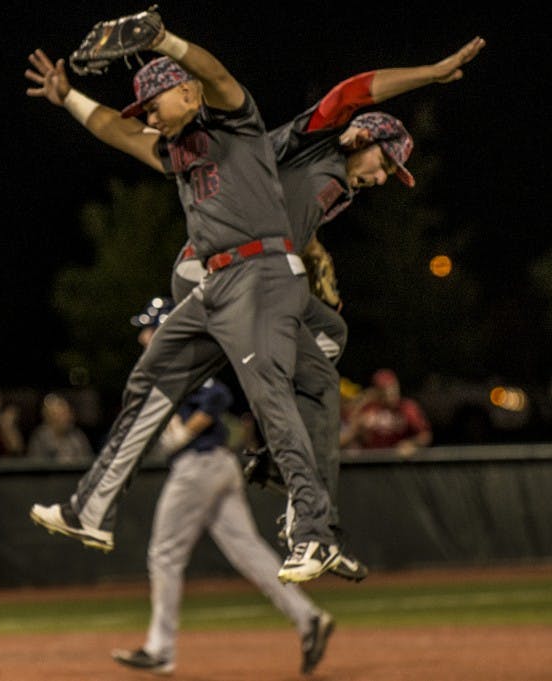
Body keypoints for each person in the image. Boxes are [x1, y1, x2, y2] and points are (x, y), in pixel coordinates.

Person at [26, 12, 341, 582]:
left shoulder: (236, 125)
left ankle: (314, 533)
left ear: (188, 92)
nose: (146, 114)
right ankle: (90, 510)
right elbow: (114, 131)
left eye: (154, 103)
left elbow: (217, 75)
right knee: (150, 378)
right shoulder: (177, 151)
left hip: (263, 273)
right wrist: (69, 95)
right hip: (215, 285)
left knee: (269, 396)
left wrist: (164, 41)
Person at [170, 35, 485, 579]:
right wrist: (430, 73)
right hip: (215, 274)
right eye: (384, 163)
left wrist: (313, 253)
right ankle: (310, 525)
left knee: (329, 341)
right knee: (313, 384)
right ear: (360, 135)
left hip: (247, 283)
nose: (383, 178)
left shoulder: (336, 187)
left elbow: (281, 209)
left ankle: (297, 495)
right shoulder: (318, 143)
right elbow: (351, 90)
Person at [111, 297, 334, 676]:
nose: (143, 338)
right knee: (247, 550)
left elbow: (218, 395)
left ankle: (160, 648)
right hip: (216, 466)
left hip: (199, 465)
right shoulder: (171, 363)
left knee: (164, 554)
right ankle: (308, 616)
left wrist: (185, 431)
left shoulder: (179, 356)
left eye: (148, 329)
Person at [340, 368, 433, 456]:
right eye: (384, 389)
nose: (390, 393)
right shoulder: (369, 408)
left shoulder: (407, 408)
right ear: (377, 391)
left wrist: (411, 444)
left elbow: (426, 436)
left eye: (392, 388)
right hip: (372, 460)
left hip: (397, 462)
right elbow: (349, 433)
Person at [26, 391, 94, 463]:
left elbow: (87, 463)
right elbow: (36, 465)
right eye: (59, 414)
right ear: (48, 417)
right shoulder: (40, 437)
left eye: (66, 413)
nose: (66, 417)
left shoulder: (77, 437)